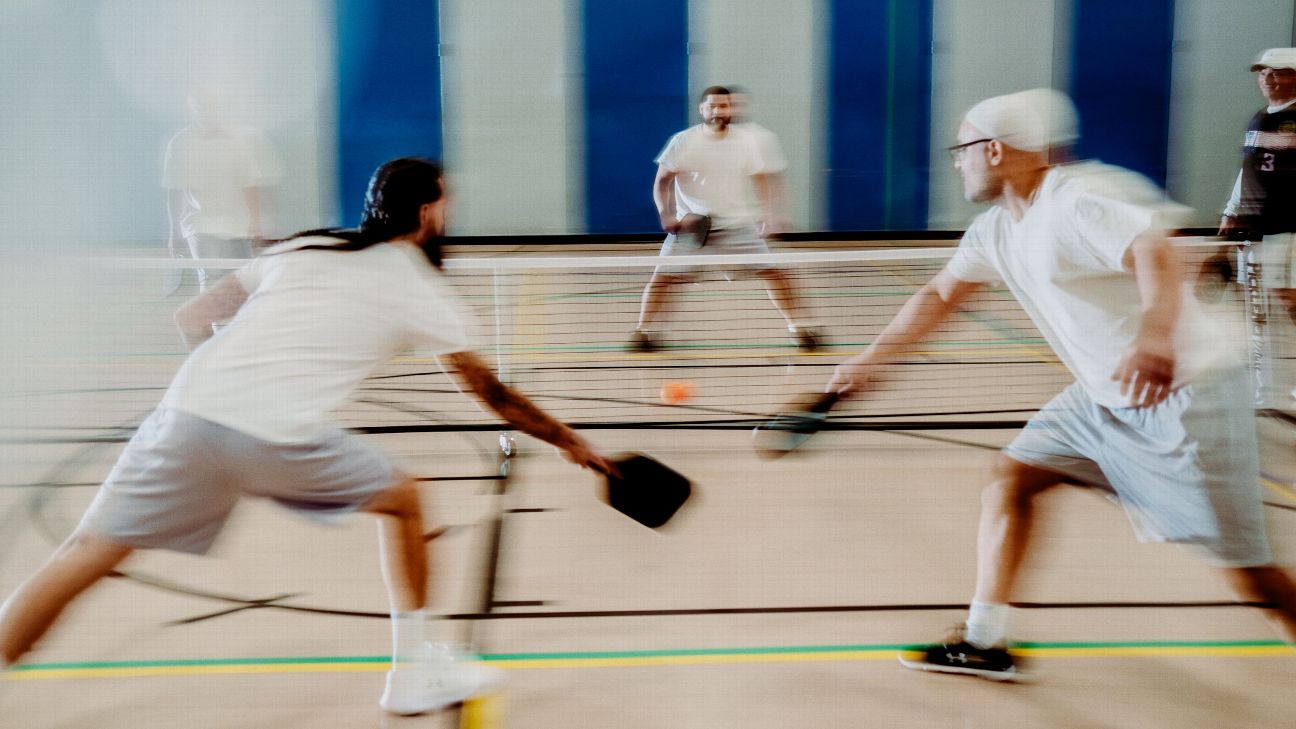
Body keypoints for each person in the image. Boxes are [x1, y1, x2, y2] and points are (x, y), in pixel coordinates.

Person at [0, 158, 615, 715]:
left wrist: (234, 392)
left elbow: (194, 315)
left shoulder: (304, 246)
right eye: (446, 203)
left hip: (185, 413)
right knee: (405, 500)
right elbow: (492, 394)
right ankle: (412, 673)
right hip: (275, 435)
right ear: (428, 212)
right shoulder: (420, 286)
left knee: (82, 553)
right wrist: (571, 442)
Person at [827, 89, 1296, 681]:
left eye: (961, 149)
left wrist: (1154, 336)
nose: (956, 162)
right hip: (1103, 395)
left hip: (1185, 390)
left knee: (1248, 573)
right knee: (1012, 477)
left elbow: (1154, 250)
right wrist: (870, 361)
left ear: (994, 150)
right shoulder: (998, 228)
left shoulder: (1077, 198)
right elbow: (940, 294)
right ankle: (984, 640)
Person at [629, 85, 820, 353]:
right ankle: (644, 332)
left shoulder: (745, 142)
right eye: (713, 106)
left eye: (724, 106)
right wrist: (667, 213)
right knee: (663, 278)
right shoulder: (683, 141)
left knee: (775, 273)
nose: (718, 111)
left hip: (736, 226)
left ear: (731, 109)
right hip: (692, 227)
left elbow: (761, 177)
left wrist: (769, 213)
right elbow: (662, 182)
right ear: (702, 109)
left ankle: (799, 329)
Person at [1218, 48, 1296, 405]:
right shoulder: (1260, 118)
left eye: (1279, 72)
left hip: (1288, 229)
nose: (1269, 79)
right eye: (1264, 72)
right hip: (1255, 230)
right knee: (1257, 309)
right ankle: (1262, 392)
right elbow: (1248, 171)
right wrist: (1230, 212)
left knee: (1290, 301)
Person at [164, 89, 281, 291]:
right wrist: (174, 232)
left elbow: (249, 182)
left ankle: (234, 322)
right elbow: (174, 190)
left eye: (210, 106)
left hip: (236, 226)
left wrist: (255, 222)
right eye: (199, 106)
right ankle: (219, 323)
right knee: (211, 284)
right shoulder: (179, 143)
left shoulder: (237, 141)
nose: (205, 112)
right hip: (199, 226)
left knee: (242, 284)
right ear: (191, 108)